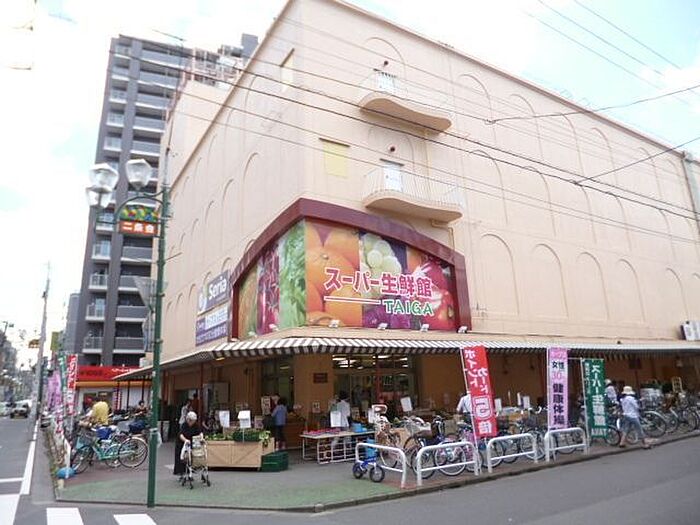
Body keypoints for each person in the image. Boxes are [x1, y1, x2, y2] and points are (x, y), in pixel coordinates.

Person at [174, 411, 203, 477]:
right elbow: (181, 434)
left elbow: (200, 432)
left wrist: (201, 438)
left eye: (193, 421)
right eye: (191, 420)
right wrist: (185, 440)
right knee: (181, 456)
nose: (192, 422)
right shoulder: (184, 425)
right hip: (182, 442)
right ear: (188, 420)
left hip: (190, 442)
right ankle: (181, 472)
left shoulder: (195, 425)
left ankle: (190, 470)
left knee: (191, 456)